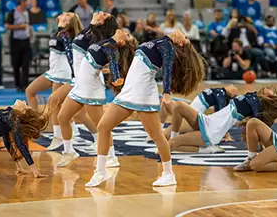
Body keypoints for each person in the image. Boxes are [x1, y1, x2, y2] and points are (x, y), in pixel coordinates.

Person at [86, 29, 205, 187]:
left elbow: (168, 70)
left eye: (185, 36)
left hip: (143, 93)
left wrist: (167, 93)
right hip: (129, 90)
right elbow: (137, 66)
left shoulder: (167, 46)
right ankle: (101, 171)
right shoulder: (158, 41)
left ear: (180, 42)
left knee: (157, 136)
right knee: (103, 126)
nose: (182, 32)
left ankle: (168, 174)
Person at [56, 21, 138, 168]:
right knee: (62, 117)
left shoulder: (112, 48)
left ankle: (112, 157)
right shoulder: (107, 41)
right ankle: (69, 151)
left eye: (128, 35)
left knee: (102, 126)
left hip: (91, 89)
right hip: (80, 85)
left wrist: (117, 77)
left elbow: (113, 63)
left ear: (121, 42)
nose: (126, 32)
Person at [46, 12, 119, 152]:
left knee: (101, 124)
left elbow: (107, 54)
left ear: (103, 22)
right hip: (79, 79)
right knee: (62, 113)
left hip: (89, 82)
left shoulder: (95, 36)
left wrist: (111, 70)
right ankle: (68, 150)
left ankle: (110, 154)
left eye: (104, 14)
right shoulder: (90, 31)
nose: (100, 12)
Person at [168, 87, 277, 154]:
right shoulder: (252, 96)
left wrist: (263, 145)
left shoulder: (256, 104)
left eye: (272, 92)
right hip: (207, 120)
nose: (269, 88)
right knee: (179, 106)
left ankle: (166, 167)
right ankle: (206, 149)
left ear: (270, 99)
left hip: (212, 131)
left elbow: (259, 124)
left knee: (173, 144)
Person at [162, 85, 239, 140]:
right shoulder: (221, 96)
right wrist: (226, 134)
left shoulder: (218, 91)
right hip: (194, 112)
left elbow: (217, 111)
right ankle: (161, 134)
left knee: (175, 117)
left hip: (193, 108)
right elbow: (221, 116)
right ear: (231, 94)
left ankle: (161, 126)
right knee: (167, 134)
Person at [5, 0, 32, 91]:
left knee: (26, 64)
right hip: (15, 41)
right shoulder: (13, 13)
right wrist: (20, 27)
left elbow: (29, 25)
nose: (28, 4)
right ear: (22, 2)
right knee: (16, 64)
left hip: (26, 40)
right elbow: (7, 26)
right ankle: (17, 84)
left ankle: (24, 85)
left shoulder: (28, 12)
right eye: (27, 2)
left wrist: (30, 35)